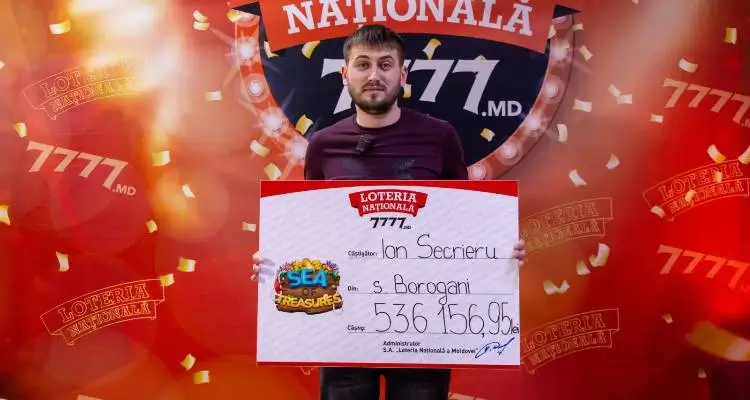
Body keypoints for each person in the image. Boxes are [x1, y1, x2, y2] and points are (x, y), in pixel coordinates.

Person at [252, 24, 527, 400]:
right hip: (343, 326)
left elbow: (463, 223)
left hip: (423, 323)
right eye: (363, 64)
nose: (374, 75)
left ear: (403, 74)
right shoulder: (323, 146)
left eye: (385, 64)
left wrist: (498, 253)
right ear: (345, 74)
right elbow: (314, 234)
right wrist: (278, 262)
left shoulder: (440, 137)